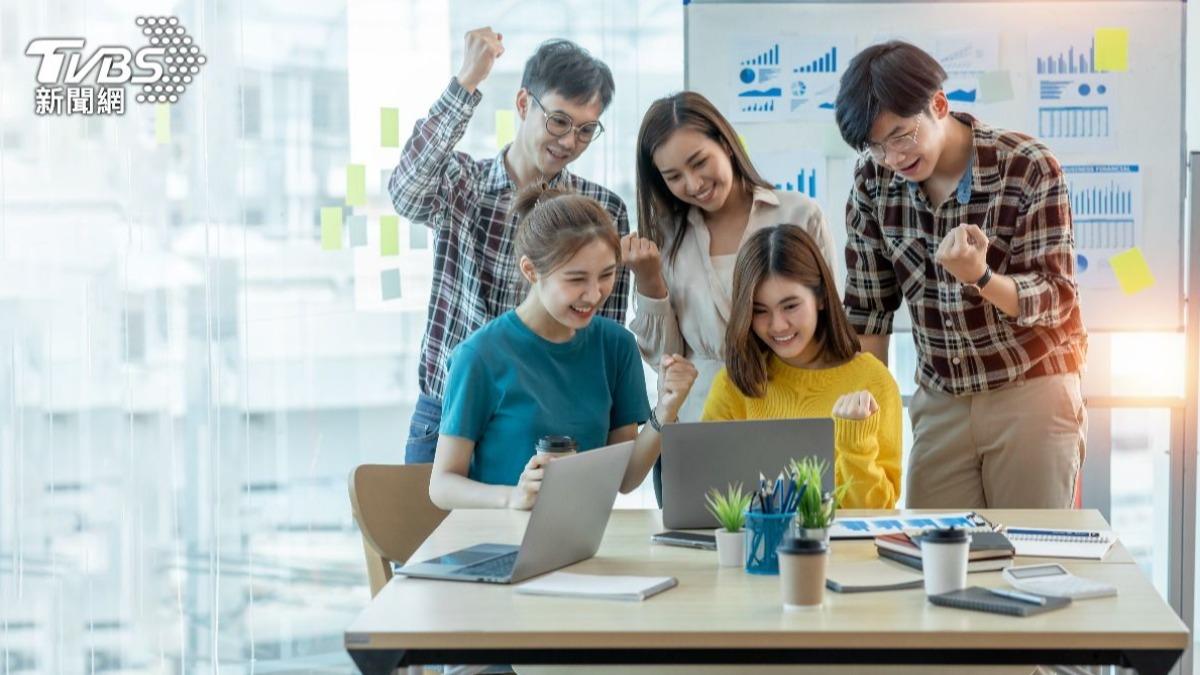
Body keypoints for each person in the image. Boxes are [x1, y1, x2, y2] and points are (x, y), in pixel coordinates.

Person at [835, 41, 1087, 508]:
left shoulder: (1028, 166)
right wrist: (865, 402)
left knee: (1027, 557)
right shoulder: (872, 181)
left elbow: (1055, 297)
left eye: (901, 136)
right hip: (941, 396)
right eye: (876, 146)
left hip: (1029, 389)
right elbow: (869, 309)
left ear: (938, 104)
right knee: (931, 560)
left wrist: (982, 278)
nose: (893, 157)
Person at [389, 28, 631, 464]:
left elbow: (603, 342)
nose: (569, 142)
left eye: (586, 130)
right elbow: (405, 190)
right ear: (524, 105)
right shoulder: (463, 183)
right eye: (558, 121)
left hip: (547, 426)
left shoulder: (601, 212)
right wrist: (467, 80)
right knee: (435, 535)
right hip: (446, 415)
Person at [428, 185, 697, 511]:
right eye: (576, 279)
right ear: (531, 271)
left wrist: (665, 411)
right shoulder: (479, 356)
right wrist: (513, 497)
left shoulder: (616, 346)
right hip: (499, 542)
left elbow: (624, 479)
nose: (595, 294)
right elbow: (441, 486)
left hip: (582, 541)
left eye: (607, 275)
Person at [625, 91, 836, 424]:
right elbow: (664, 359)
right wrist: (649, 281)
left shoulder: (798, 214)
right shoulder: (664, 238)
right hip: (700, 419)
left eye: (699, 162)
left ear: (726, 143)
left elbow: (827, 326)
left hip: (789, 412)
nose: (693, 184)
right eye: (674, 177)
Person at [701, 225, 901, 509]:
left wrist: (855, 444)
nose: (777, 325)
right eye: (759, 311)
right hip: (758, 547)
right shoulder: (735, 382)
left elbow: (877, 510)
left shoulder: (872, 380)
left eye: (790, 306)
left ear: (820, 297)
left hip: (844, 550)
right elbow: (708, 492)